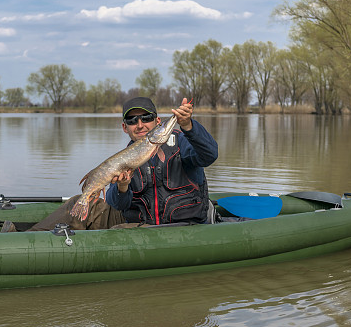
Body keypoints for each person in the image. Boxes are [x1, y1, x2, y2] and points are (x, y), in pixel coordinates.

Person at [25, 96, 218, 232]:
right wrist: (122, 187)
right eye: (133, 120)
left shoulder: (183, 142)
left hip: (180, 224)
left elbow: (210, 154)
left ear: (158, 121)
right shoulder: (127, 155)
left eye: (147, 118)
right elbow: (116, 204)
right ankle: (27, 239)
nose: (140, 124)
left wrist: (188, 125)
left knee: (118, 230)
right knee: (80, 202)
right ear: (125, 128)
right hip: (141, 221)